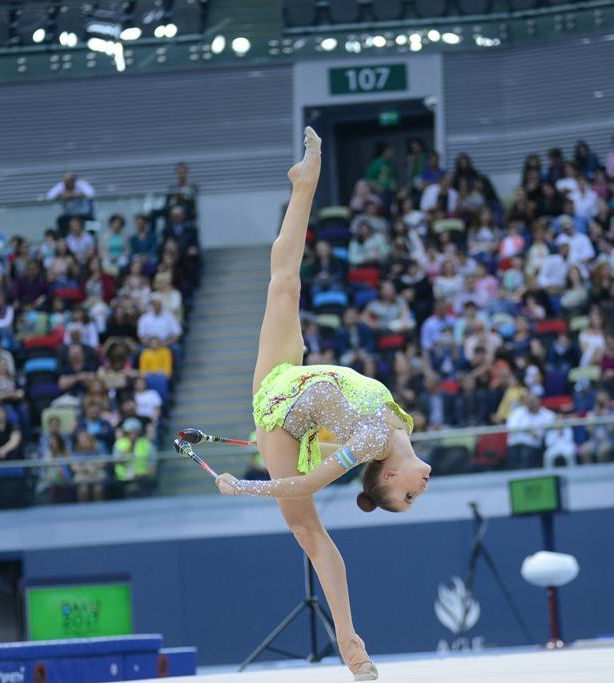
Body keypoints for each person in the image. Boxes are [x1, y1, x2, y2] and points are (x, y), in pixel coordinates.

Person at [176, 129, 428, 681]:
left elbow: (306, 485)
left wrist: (245, 486)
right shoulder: (401, 424)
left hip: (278, 412)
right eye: (413, 495)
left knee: (310, 533)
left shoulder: (371, 442)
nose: (419, 490)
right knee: (284, 282)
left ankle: (350, 643)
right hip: (296, 376)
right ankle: (305, 182)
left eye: (406, 495)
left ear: (386, 473)